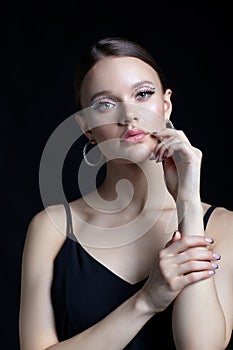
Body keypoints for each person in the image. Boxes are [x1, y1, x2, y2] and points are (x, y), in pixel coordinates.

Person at [19, 37, 233, 349]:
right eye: (104, 104)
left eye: (143, 94)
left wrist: (187, 202)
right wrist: (147, 300)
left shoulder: (223, 226)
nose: (129, 115)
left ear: (166, 105)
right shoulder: (51, 228)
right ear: (86, 128)